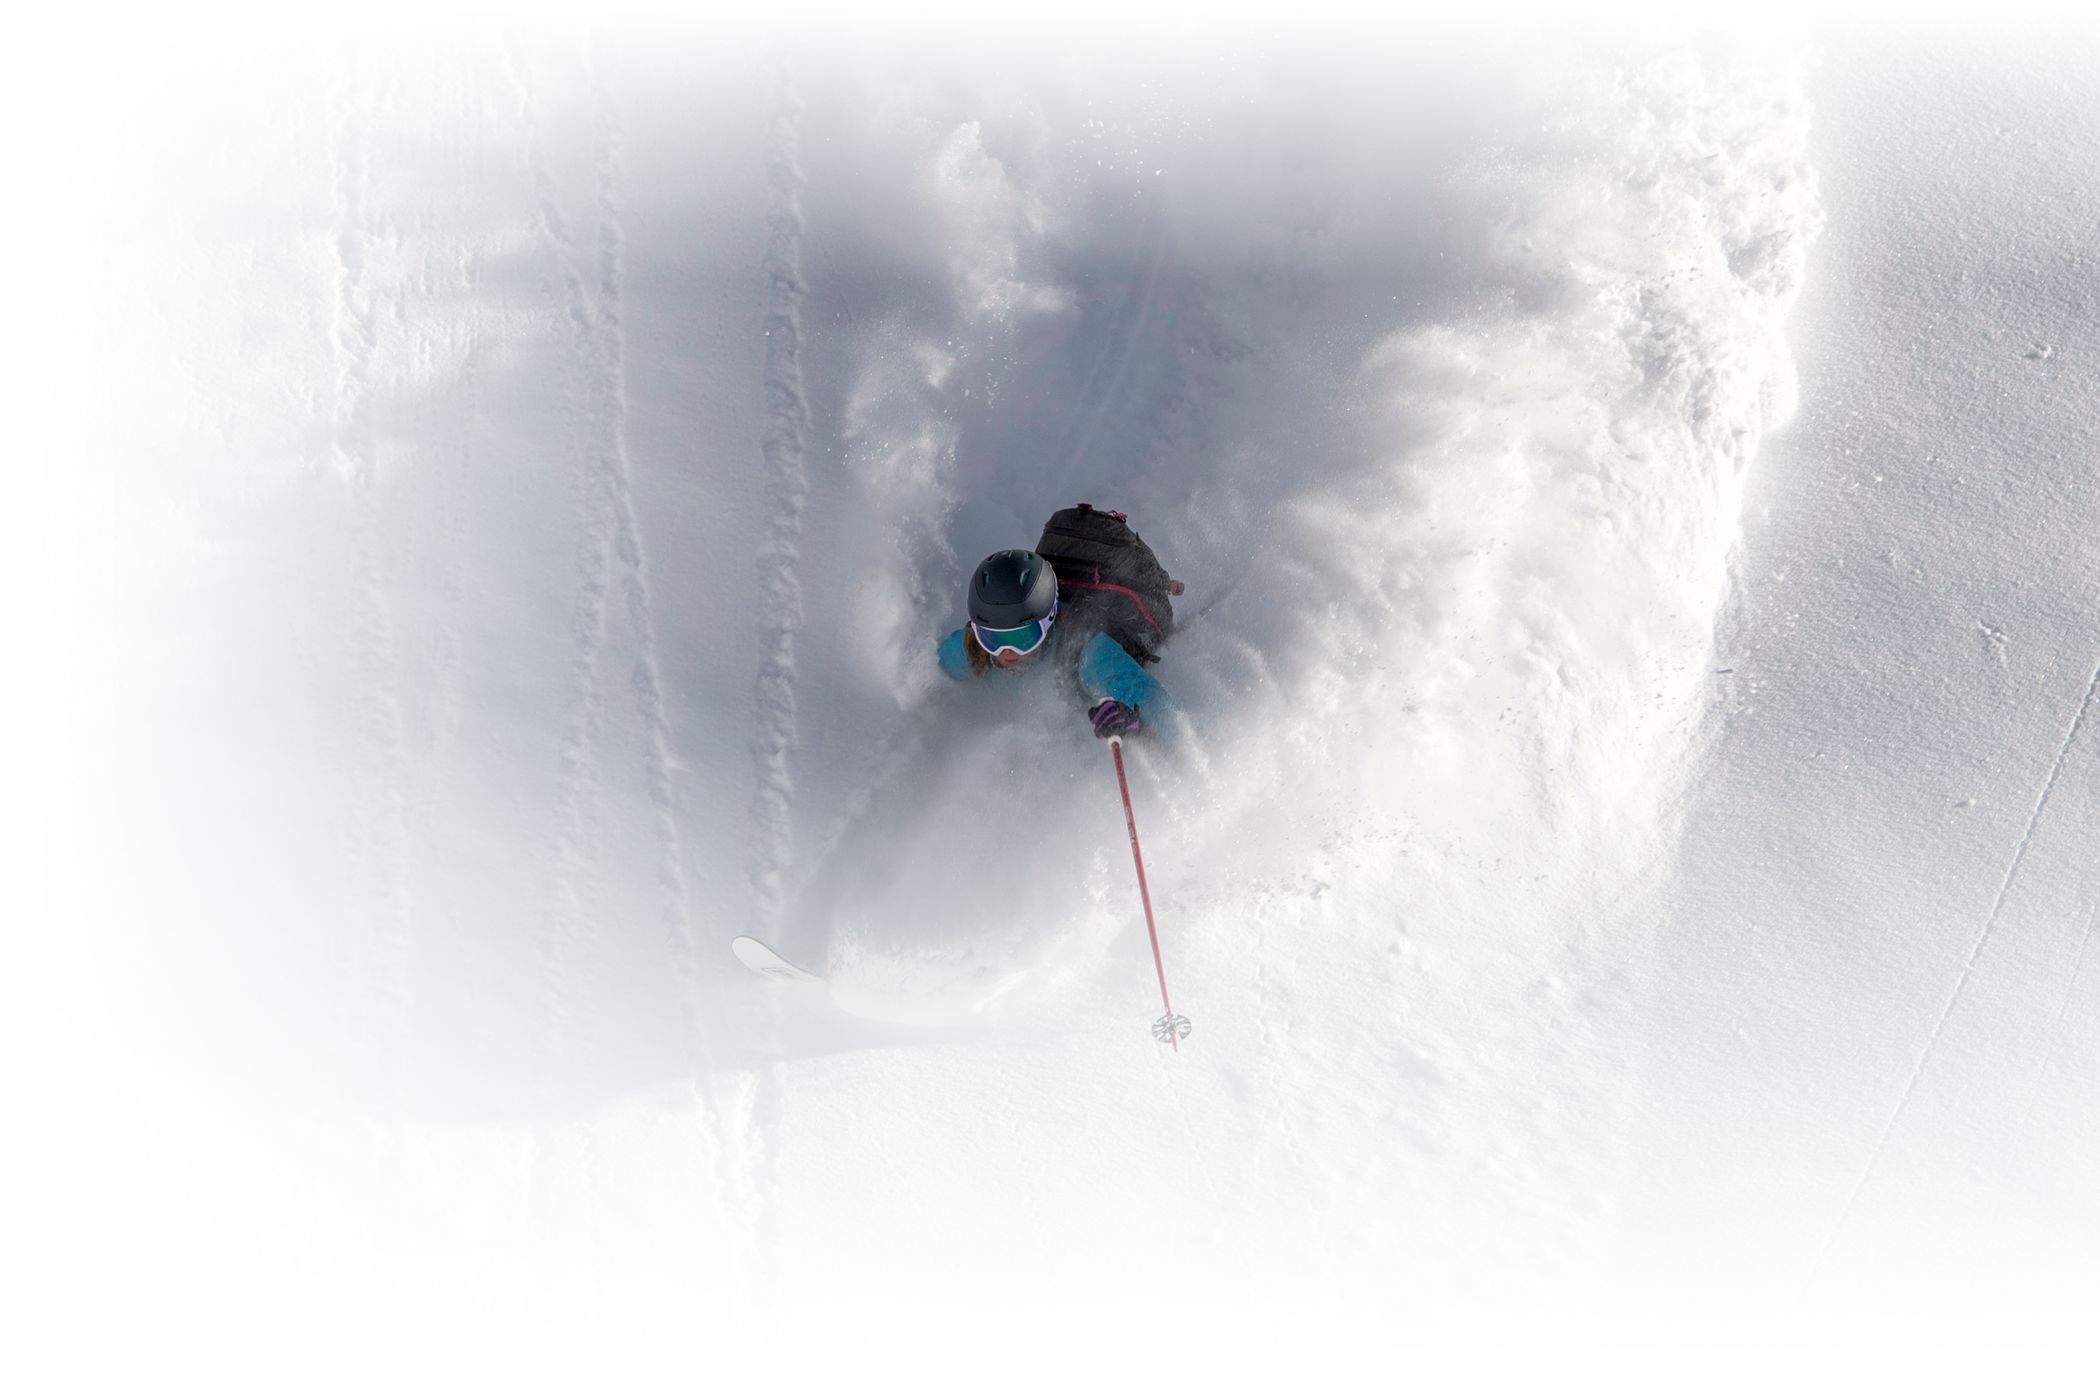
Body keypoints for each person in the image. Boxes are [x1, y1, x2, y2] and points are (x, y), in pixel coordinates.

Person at [938, 547, 1165, 739]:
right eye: (993, 638)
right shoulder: (972, 648)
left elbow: (1160, 708)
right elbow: (931, 679)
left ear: (1049, 621)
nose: (1006, 651)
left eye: (1021, 637)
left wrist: (1135, 722)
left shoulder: (1085, 650)